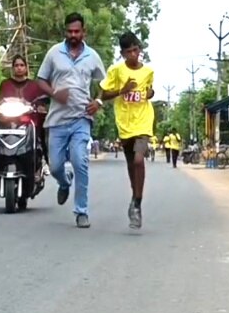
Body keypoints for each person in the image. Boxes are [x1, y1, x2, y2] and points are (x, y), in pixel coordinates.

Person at [37, 12, 106, 229]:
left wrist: (98, 102)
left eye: (77, 31)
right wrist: (54, 94)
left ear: (84, 32)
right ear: (65, 32)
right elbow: (40, 80)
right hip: (57, 120)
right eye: (69, 31)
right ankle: (64, 182)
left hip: (81, 118)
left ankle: (81, 211)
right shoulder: (54, 53)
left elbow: (105, 83)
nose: (73, 35)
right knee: (56, 166)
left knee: (80, 162)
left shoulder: (92, 56)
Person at [99, 31, 154, 229]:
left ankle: (137, 203)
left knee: (139, 160)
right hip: (124, 123)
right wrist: (122, 91)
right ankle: (135, 198)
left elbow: (149, 90)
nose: (133, 54)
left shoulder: (148, 71)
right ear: (122, 54)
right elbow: (104, 94)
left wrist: (150, 93)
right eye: (128, 51)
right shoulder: (116, 71)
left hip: (143, 121)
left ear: (140, 49)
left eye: (135, 50)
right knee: (132, 165)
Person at [0, 54, 49, 175]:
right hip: (8, 122)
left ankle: (43, 160)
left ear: (26, 67)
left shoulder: (34, 85)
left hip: (29, 121)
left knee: (42, 134)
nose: (19, 68)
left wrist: (40, 107)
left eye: (22, 65)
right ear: (13, 68)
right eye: (16, 65)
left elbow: (41, 101)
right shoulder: (5, 84)